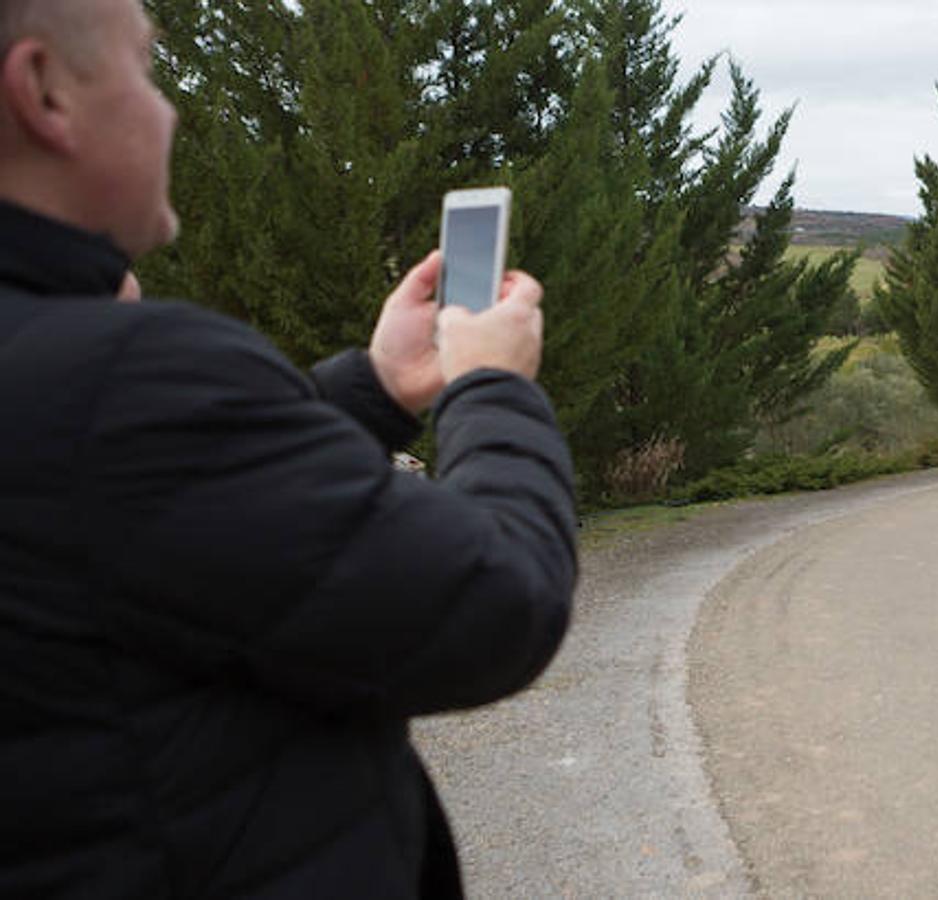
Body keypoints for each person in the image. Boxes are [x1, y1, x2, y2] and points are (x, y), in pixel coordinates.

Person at [0, 2, 577, 895]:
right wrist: (492, 387)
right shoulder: (122, 383)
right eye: (145, 67)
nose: (170, 111)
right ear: (43, 91)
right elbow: (500, 601)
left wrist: (374, 389)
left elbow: (168, 513)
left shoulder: (79, 398)